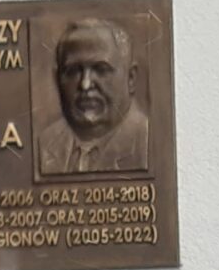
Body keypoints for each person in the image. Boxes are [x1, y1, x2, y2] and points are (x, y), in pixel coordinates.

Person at [36, 17, 150, 174]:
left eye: (101, 70)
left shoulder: (151, 143)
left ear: (131, 78)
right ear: (58, 79)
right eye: (73, 71)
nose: (85, 84)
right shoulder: (43, 144)